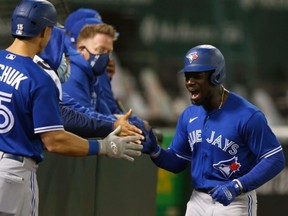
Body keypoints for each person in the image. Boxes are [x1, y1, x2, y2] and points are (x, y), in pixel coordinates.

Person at [0, 1, 142, 215]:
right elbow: (55, 140)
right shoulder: (39, 78)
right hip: (14, 174)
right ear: (45, 31)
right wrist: (103, 147)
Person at [142, 44, 286, 216]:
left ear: (216, 76)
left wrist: (238, 185)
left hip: (235, 201)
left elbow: (275, 158)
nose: (189, 82)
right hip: (198, 201)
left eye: (197, 76)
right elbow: (177, 162)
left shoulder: (247, 115)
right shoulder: (189, 115)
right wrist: (155, 151)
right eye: (187, 76)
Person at [35, 26, 143, 138]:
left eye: (109, 52)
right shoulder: (42, 81)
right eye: (64, 55)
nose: (67, 61)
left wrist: (116, 121)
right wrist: (110, 130)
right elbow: (73, 123)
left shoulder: (92, 76)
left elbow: (82, 112)